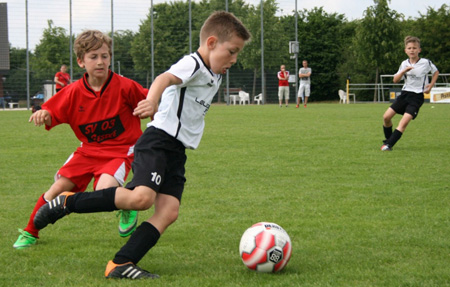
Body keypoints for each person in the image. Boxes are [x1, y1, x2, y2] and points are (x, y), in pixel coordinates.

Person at [33, 11, 251, 279]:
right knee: (141, 198)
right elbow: (164, 78)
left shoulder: (214, 72)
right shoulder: (193, 64)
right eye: (231, 51)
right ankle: (68, 202)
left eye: (237, 53)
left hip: (176, 149)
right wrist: (153, 101)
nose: (234, 59)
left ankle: (121, 263)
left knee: (169, 212)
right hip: (158, 140)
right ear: (211, 43)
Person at [13, 30, 148, 249]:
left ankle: (128, 203)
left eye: (105, 56)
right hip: (87, 151)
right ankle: (30, 232)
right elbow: (50, 112)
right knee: (56, 190)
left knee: (104, 191)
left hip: (120, 150)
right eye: (93, 57)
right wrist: (43, 114)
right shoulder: (72, 92)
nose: (100, 61)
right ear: (81, 61)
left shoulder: (126, 86)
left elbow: (150, 101)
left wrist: (152, 107)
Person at [381, 36, 439, 151]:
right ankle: (389, 140)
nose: (412, 50)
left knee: (404, 122)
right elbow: (395, 80)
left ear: (419, 50)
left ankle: (389, 145)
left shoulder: (425, 62)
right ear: (405, 50)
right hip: (404, 94)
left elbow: (436, 72)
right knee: (386, 117)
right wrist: (403, 71)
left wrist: (431, 85)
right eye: (409, 48)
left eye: (414, 48)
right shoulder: (404, 64)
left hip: (417, 97)